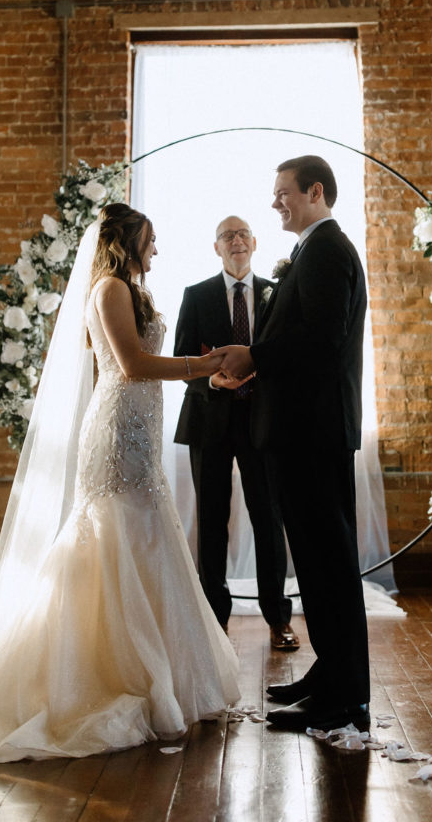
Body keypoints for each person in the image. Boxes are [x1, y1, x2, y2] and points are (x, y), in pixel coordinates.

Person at [0, 204, 239, 768]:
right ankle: (98, 672)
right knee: (114, 532)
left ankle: (166, 672)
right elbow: (132, 365)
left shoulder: (131, 289)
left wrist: (196, 369)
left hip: (138, 429)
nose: (156, 249)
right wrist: (199, 367)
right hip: (116, 433)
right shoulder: (109, 287)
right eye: (150, 240)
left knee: (148, 533)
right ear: (126, 241)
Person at [215, 156, 370, 733]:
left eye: (284, 192)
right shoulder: (312, 249)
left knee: (328, 565)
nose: (275, 201)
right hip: (303, 432)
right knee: (317, 564)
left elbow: (324, 342)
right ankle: (329, 676)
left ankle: (346, 697)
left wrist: (254, 355)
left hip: (314, 434)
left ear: (316, 191)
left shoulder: (327, 250)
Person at [173, 216, 297, 650]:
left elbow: (285, 355)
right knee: (211, 523)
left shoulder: (276, 293)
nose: (237, 241)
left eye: (243, 234)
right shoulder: (197, 295)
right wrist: (210, 381)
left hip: (263, 423)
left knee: (269, 519)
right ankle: (214, 621)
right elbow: (183, 361)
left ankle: (279, 619)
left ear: (255, 243)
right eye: (228, 235)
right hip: (210, 422)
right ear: (216, 248)